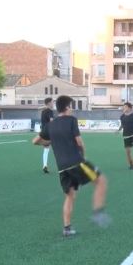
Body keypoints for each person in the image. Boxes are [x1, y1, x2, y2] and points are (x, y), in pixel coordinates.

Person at [32, 95, 110, 236]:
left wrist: (47, 143)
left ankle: (67, 228)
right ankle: (98, 212)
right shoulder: (72, 121)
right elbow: (79, 142)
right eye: (71, 106)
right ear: (67, 107)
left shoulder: (51, 124)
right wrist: (83, 156)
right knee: (101, 181)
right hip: (76, 162)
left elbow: (35, 141)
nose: (72, 109)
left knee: (70, 196)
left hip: (62, 167)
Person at [41, 97, 54, 174]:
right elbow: (51, 121)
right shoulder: (50, 111)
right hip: (50, 132)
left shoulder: (43, 111)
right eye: (52, 102)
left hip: (43, 131)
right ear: (49, 103)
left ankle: (45, 165)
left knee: (46, 149)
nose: (53, 103)